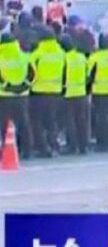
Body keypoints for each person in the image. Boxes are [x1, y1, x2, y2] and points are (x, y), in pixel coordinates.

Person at [28, 28, 65, 158]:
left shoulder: (36, 55)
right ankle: (54, 146)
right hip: (56, 91)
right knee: (52, 121)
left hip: (39, 92)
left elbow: (30, 75)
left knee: (37, 121)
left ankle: (43, 148)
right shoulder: (61, 53)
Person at [0, 31, 34, 159]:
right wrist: (24, 85)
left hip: (4, 96)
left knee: (4, 125)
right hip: (22, 96)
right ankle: (27, 150)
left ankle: (5, 149)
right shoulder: (24, 56)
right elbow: (32, 73)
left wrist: (7, 86)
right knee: (24, 123)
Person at [63, 34, 90, 155]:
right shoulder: (82, 57)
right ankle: (83, 146)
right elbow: (87, 74)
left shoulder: (65, 58)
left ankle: (72, 146)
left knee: (70, 120)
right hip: (81, 92)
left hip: (68, 93)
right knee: (82, 120)